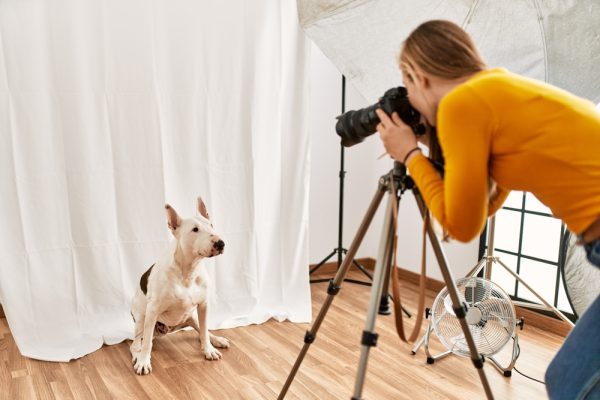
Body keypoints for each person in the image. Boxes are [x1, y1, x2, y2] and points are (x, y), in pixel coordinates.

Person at [375, 19, 600, 400]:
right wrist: (436, 150)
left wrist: (410, 154)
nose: (411, 100)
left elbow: (461, 227)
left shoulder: (464, 104)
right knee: (567, 379)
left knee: (570, 383)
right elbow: (484, 206)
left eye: (408, 85)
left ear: (418, 75)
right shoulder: (497, 89)